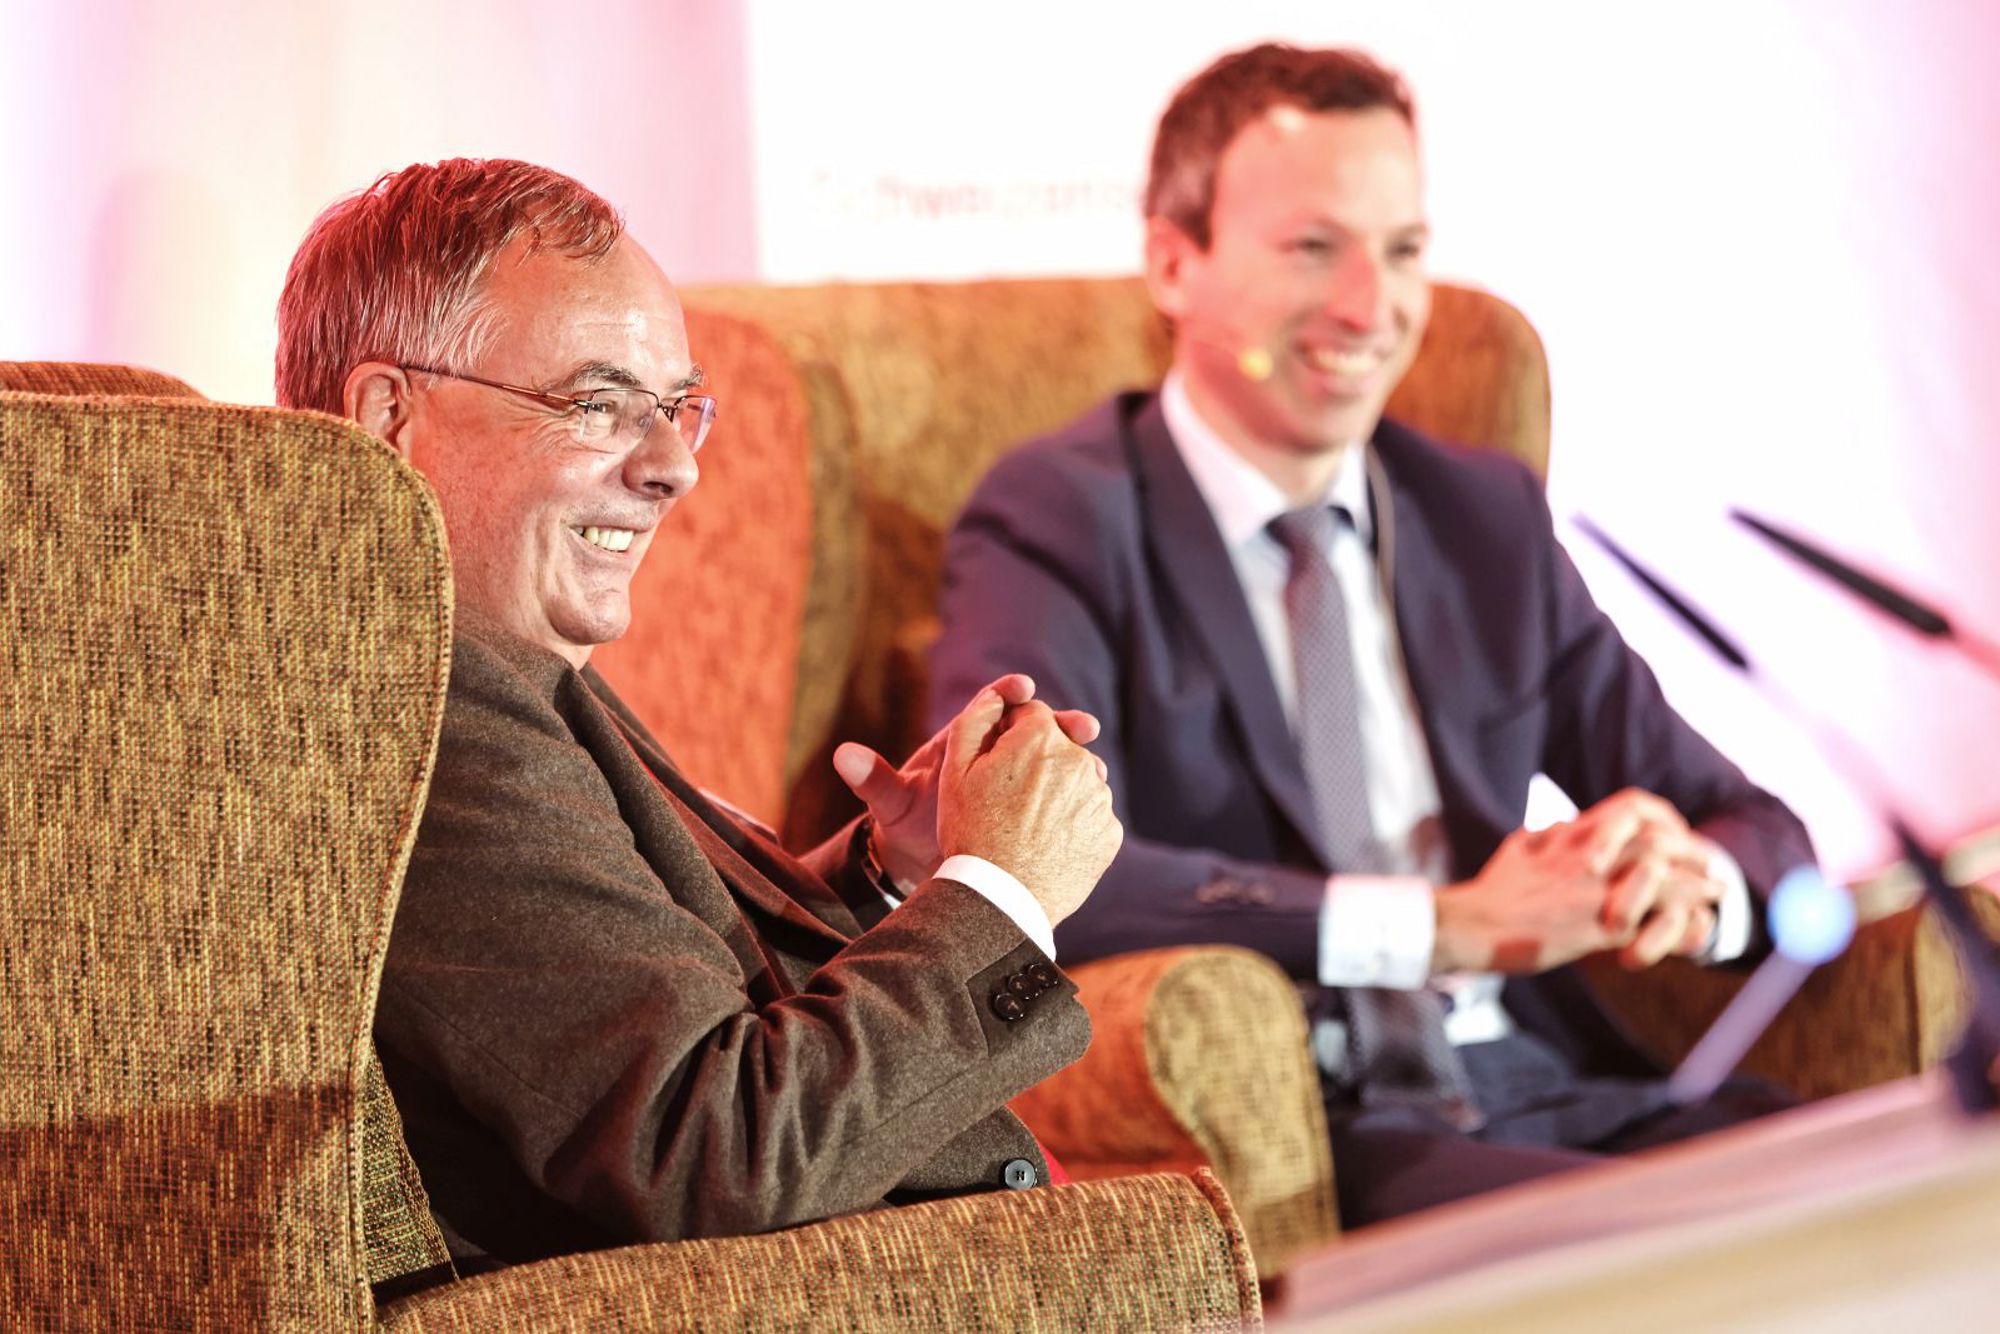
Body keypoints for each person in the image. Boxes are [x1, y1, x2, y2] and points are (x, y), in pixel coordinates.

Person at [929, 43, 1814, 1227]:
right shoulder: (1060, 517)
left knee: (1891, 1187)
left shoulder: (1480, 516)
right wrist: (1444, 925)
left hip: (1542, 1087)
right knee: (1691, 1243)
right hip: (1309, 1121)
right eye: (1312, 248)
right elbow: (1020, 866)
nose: (1370, 306)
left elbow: (1762, 832)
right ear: (1173, 262)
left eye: (1401, 251)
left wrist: (1690, 879)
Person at [275, 158, 1122, 1270]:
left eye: (677, 407)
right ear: (389, 416)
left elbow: (650, 1004)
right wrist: (998, 890)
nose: (675, 466)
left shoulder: (483, 658)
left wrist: (891, 877)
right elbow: (721, 1151)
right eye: (596, 403)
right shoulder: (423, 715)